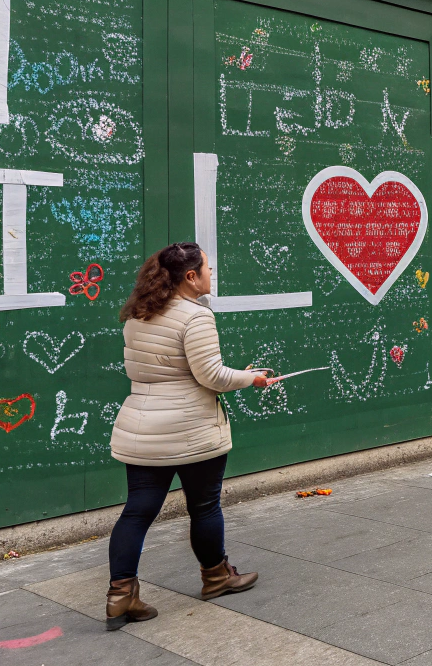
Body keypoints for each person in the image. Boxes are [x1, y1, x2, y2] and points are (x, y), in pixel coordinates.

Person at [106, 242, 279, 630]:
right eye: (207, 269)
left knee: (137, 510)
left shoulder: (139, 314)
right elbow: (211, 376)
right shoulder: (195, 317)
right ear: (190, 276)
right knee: (203, 507)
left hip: (143, 427)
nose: (211, 275)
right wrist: (253, 378)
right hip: (191, 429)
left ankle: (121, 594)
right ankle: (216, 577)